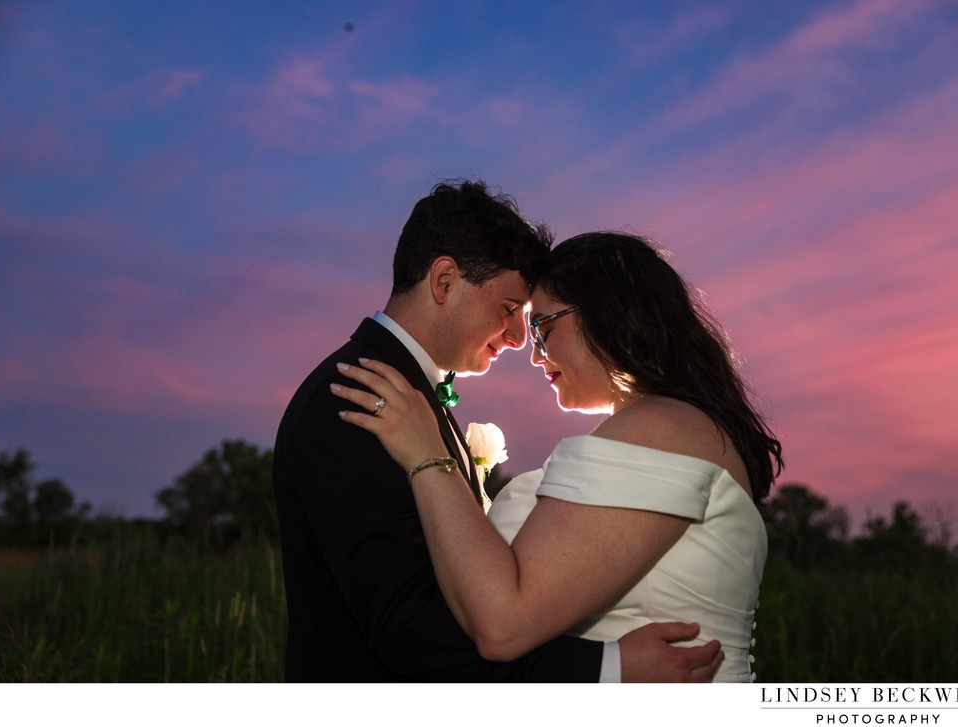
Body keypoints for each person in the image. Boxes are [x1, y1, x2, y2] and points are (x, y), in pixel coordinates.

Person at [274, 184, 724, 681]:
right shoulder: (358, 397)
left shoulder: (408, 397)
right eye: (509, 309)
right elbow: (407, 624)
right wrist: (607, 667)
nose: (517, 338)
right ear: (445, 281)